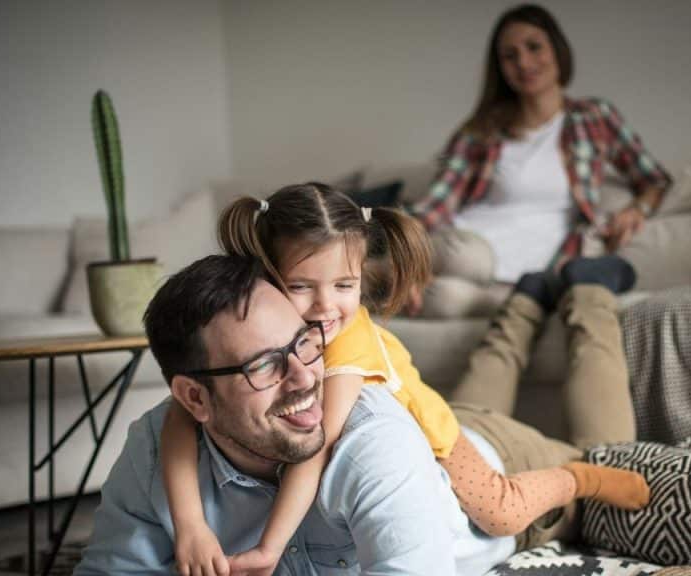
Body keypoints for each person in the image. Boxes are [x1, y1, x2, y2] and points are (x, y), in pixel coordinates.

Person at [160, 183, 649, 576]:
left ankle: (579, 476)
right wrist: (191, 527)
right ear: (268, 278)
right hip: (439, 406)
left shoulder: (346, 344)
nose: (325, 307)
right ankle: (528, 298)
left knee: (502, 511)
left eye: (344, 286)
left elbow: (315, 449)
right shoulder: (266, 324)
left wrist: (270, 547)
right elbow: (184, 411)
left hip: (442, 437)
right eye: (300, 286)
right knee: (485, 377)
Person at [408, 3, 672, 315]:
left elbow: (655, 180)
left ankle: (378, 281)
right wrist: (408, 257)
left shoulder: (595, 117)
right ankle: (380, 267)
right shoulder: (480, 130)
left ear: (557, 50)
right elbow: (437, 202)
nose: (523, 62)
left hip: (526, 273)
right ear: (500, 68)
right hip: (461, 249)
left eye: (534, 47)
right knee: (467, 257)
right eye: (510, 56)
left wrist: (636, 209)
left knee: (445, 301)